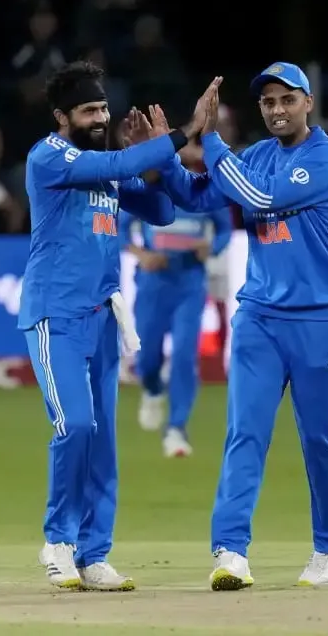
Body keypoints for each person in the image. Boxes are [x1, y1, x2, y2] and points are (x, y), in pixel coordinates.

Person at [157, 63, 328, 590]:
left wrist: (212, 140)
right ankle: (231, 552)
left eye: (286, 100)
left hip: (322, 316)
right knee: (244, 434)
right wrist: (166, 153)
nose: (276, 110)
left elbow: (262, 198)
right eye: (267, 103)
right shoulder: (258, 155)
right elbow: (200, 197)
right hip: (260, 316)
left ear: (307, 102)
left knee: (320, 440)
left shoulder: (326, 159)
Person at [19, 60, 211, 591]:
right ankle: (58, 542)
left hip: (102, 320)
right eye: (88, 110)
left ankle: (94, 554)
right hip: (54, 315)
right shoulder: (49, 157)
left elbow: (163, 212)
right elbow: (119, 161)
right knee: (75, 425)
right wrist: (183, 133)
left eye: (104, 107)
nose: (100, 117)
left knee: (102, 440)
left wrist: (148, 167)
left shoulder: (106, 167)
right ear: (63, 116)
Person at [120, 139, 232, 458]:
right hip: (154, 281)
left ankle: (177, 428)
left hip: (190, 280)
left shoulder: (204, 190)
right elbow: (119, 230)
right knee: (146, 358)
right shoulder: (147, 190)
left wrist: (212, 248)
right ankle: (153, 390)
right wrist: (141, 254)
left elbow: (224, 230)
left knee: (184, 354)